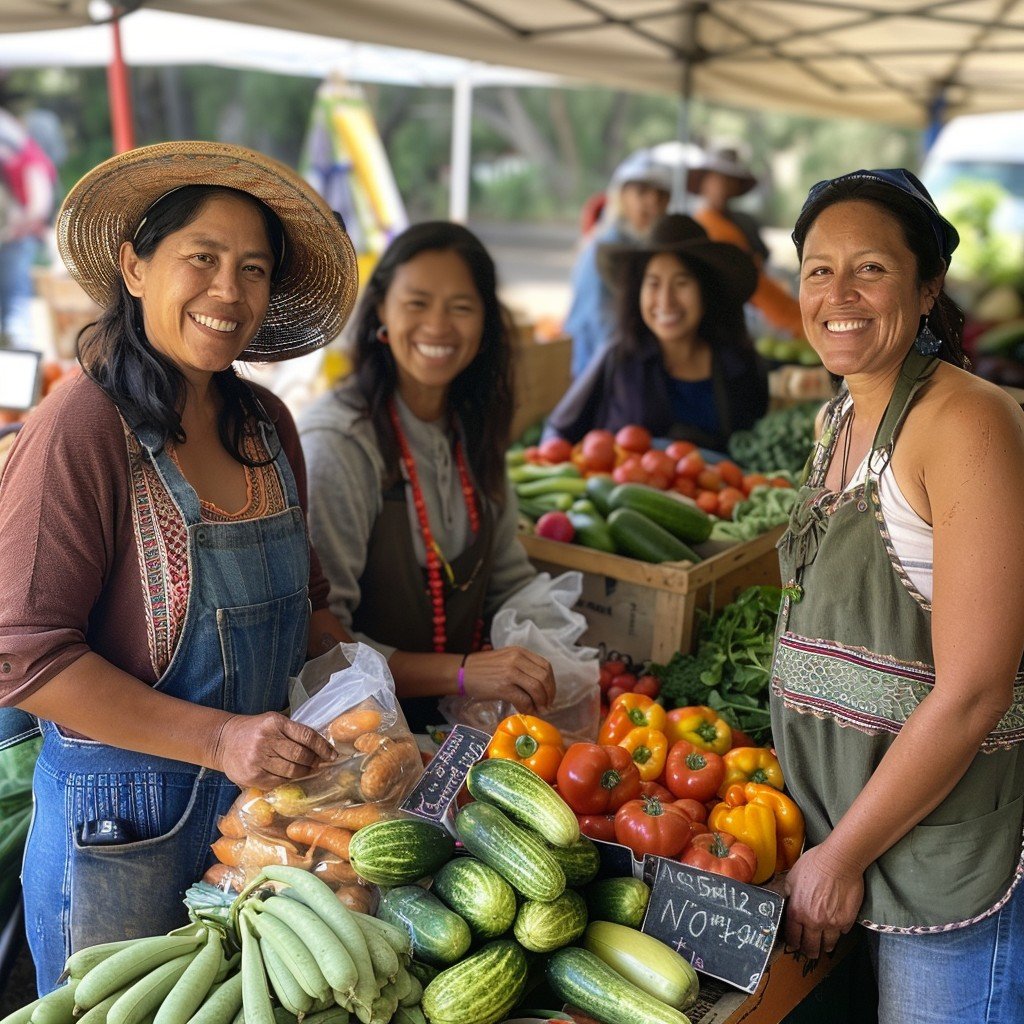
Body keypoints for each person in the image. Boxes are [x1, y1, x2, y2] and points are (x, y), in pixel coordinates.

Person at [0, 141, 360, 991]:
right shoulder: (81, 428)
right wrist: (220, 738)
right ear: (134, 267)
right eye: (201, 258)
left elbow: (308, 612)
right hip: (118, 839)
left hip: (262, 832)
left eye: (254, 269)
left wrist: (372, 707)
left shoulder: (267, 424)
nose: (228, 292)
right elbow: (22, 654)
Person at [771, 168, 1024, 1023]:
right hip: (854, 839)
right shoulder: (837, 418)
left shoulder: (965, 423)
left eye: (870, 269)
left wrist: (841, 857)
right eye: (817, 269)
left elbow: (976, 690)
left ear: (926, 289)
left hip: (943, 862)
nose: (837, 293)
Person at [299, 222, 555, 734]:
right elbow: (322, 641)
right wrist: (461, 674)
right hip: (358, 735)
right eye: (417, 303)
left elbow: (509, 580)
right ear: (382, 316)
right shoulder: (341, 442)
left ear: (485, 326)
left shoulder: (473, 430)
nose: (438, 326)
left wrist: (548, 652)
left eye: (461, 307)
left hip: (451, 726)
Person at [545, 213, 767, 451]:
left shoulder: (741, 366)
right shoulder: (618, 357)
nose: (665, 301)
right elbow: (558, 432)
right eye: (653, 284)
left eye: (681, 283)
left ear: (707, 290)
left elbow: (753, 451)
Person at [564, 147, 671, 378]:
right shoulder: (604, 248)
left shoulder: (644, 246)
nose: (652, 202)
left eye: (661, 195)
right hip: (601, 372)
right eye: (642, 192)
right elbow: (599, 323)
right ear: (622, 196)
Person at [689, 143, 805, 340]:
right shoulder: (699, 226)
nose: (723, 187)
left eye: (729, 181)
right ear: (704, 183)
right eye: (717, 179)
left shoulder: (742, 221)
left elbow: (761, 259)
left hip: (757, 298)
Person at [0, 105, 56, 350]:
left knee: (16, 300)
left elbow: (38, 208)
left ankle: (20, 347)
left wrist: (15, 228)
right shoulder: (20, 158)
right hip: (19, 238)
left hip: (21, 240)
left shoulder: (30, 161)